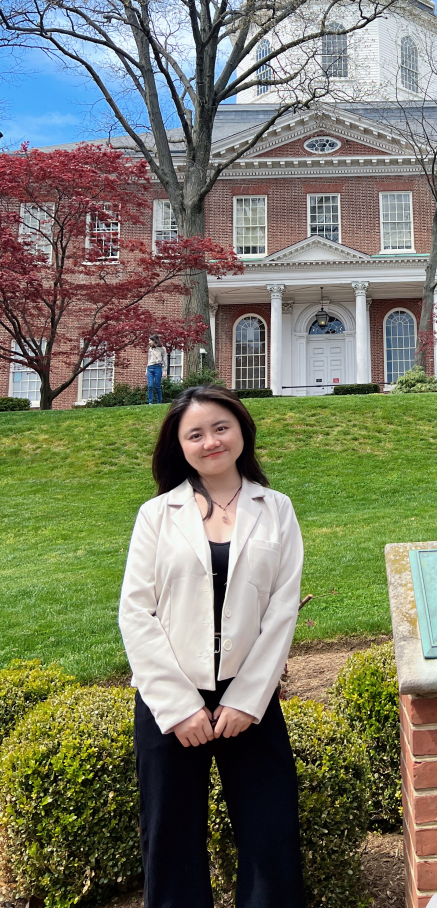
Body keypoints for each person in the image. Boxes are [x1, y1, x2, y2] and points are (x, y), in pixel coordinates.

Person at [119, 385, 305, 908]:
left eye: (221, 427)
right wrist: (178, 707)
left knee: (271, 836)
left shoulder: (276, 509)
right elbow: (136, 612)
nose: (211, 441)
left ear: (242, 430)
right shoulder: (157, 514)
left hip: (249, 700)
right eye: (195, 434)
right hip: (172, 701)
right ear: (179, 446)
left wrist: (248, 699)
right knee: (171, 842)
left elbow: (282, 610)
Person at [146, 334, 168, 404]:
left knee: (157, 386)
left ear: (154, 341)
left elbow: (165, 360)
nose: (149, 342)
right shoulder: (150, 349)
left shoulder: (162, 349)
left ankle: (159, 402)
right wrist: (146, 370)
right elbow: (148, 359)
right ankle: (150, 402)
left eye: (150, 340)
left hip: (158, 367)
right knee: (150, 386)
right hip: (150, 368)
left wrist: (164, 370)